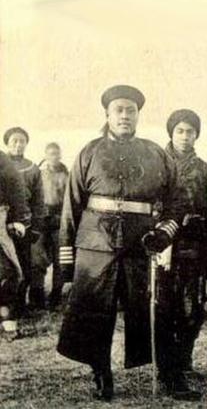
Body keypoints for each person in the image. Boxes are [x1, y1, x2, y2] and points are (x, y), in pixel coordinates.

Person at [56, 85, 186, 401]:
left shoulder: (157, 154)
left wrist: (165, 232)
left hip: (140, 247)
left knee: (155, 310)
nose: (125, 115)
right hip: (94, 249)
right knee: (94, 313)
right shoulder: (89, 152)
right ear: (108, 115)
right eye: (119, 110)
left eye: (131, 110)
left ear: (138, 115)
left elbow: (177, 202)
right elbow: (71, 209)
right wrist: (67, 266)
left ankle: (170, 376)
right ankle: (101, 373)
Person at [159, 108, 207, 399]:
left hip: (194, 250)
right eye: (180, 131)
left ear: (197, 134)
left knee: (193, 308)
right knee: (164, 308)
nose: (185, 137)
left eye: (190, 131)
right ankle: (167, 369)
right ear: (171, 133)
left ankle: (184, 360)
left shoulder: (206, 171)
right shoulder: (155, 164)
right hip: (162, 248)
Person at [4, 127, 45, 313]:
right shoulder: (1, 164)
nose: (18, 145)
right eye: (14, 141)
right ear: (7, 143)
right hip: (2, 221)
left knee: (24, 265)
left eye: (22, 141)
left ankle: (18, 305)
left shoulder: (32, 168)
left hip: (24, 222)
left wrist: (35, 226)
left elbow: (38, 200)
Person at [32, 142, 69, 310]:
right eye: (51, 154)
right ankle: (37, 295)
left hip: (58, 220)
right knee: (38, 258)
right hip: (40, 220)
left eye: (57, 153)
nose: (54, 156)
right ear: (46, 156)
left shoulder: (66, 175)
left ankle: (56, 295)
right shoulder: (39, 174)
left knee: (59, 258)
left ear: (60, 155)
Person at [0, 150, 30, 340]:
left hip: (0, 218)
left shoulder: (1, 159)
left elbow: (17, 188)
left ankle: (7, 319)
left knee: (8, 270)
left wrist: (18, 219)